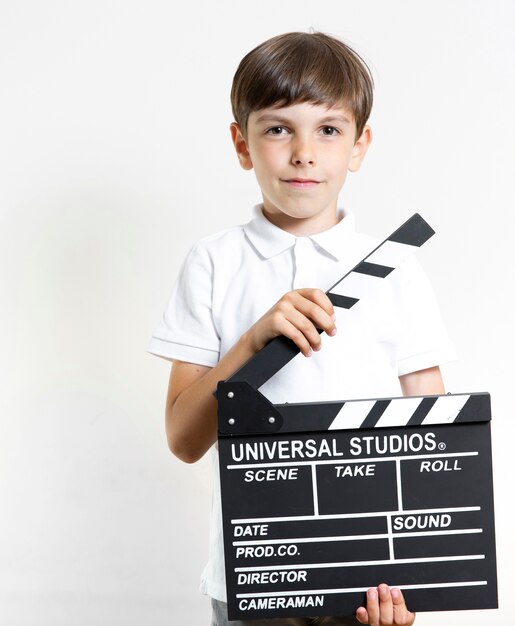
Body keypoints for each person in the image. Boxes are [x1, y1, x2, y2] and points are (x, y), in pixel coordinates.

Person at [149, 31, 456, 626]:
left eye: (329, 130)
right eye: (278, 128)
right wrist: (254, 341)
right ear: (242, 144)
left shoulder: (397, 268)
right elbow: (184, 440)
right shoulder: (213, 263)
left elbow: (435, 440)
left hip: (372, 574)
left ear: (360, 146)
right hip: (256, 569)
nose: (304, 153)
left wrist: (422, 572)